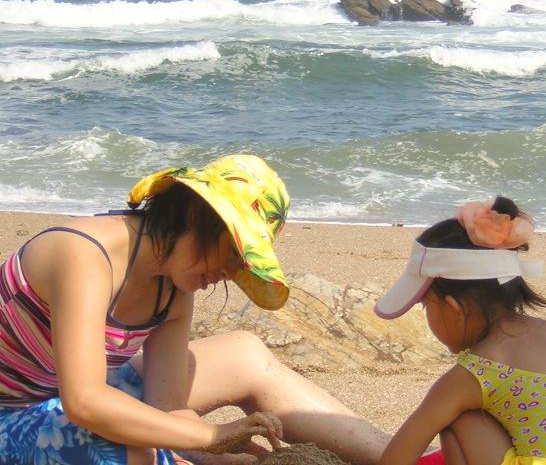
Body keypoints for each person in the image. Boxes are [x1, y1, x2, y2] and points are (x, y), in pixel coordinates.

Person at [0, 155, 390, 465]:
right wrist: (210, 436)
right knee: (128, 449)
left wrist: (208, 451)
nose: (230, 273)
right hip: (13, 413)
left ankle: (400, 458)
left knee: (244, 355)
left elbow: (168, 407)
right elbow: (85, 401)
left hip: (63, 399)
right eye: (234, 253)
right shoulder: (84, 255)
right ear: (194, 215)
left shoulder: (172, 287)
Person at [374, 197, 546, 465]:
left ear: (455, 309)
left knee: (456, 415)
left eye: (426, 306)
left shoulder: (477, 370)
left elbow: (394, 459)